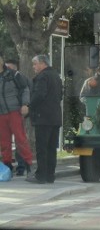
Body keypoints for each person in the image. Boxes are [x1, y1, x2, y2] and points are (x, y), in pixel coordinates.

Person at [26, 54, 63, 184]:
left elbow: (39, 95)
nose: (34, 67)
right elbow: (60, 96)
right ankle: (50, 175)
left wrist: (29, 107)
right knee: (51, 148)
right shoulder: (56, 76)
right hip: (55, 117)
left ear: (42, 63)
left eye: (35, 64)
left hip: (43, 118)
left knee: (42, 148)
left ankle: (41, 175)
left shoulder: (43, 77)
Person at [0, 53, 33, 176]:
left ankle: (29, 165)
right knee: (4, 142)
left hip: (14, 112)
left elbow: (25, 89)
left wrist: (25, 104)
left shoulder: (14, 74)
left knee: (20, 139)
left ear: (2, 60)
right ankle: (7, 165)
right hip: (1, 114)